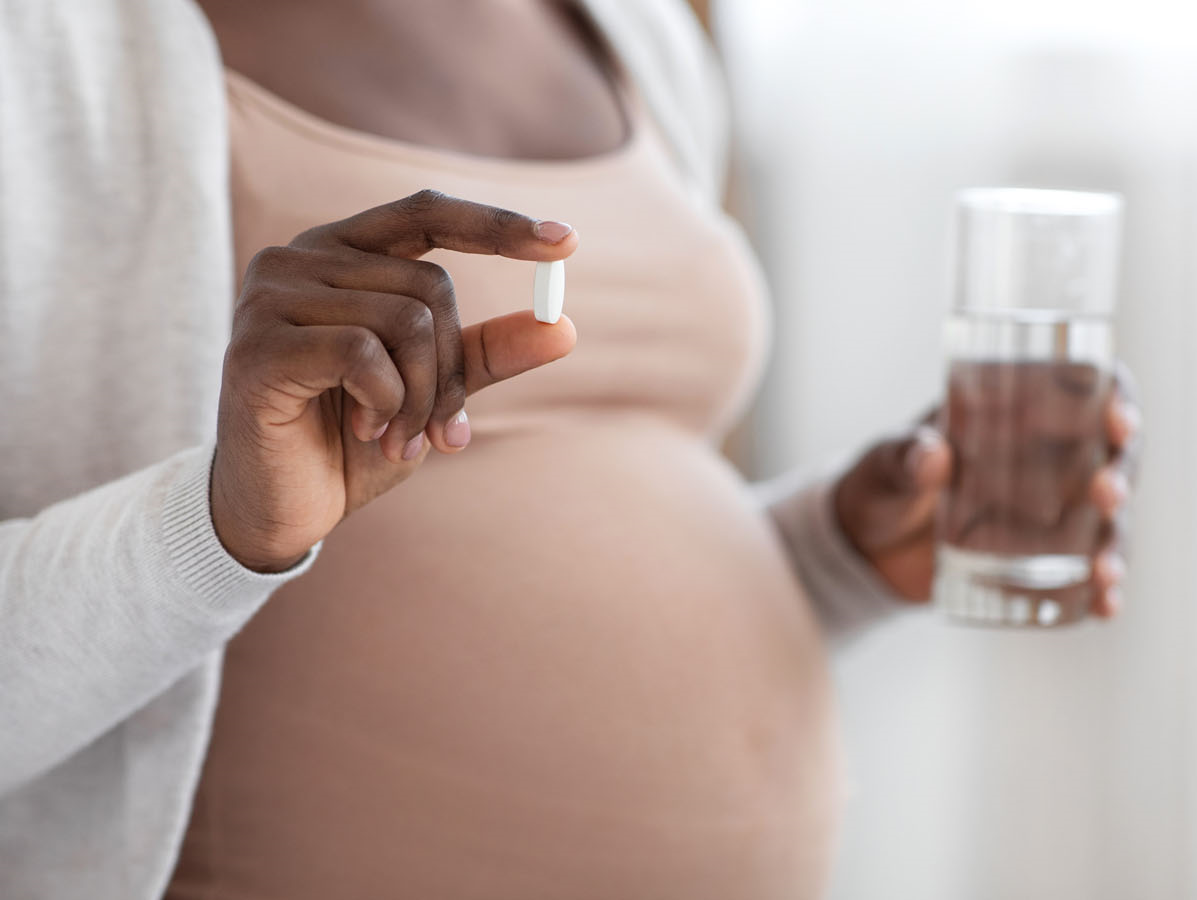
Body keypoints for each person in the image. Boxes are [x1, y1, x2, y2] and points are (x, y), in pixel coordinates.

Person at [0, 0, 1137, 897]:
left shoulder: (629, 27)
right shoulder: (47, 47)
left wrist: (831, 550)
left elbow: (574, 500)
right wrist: (218, 528)